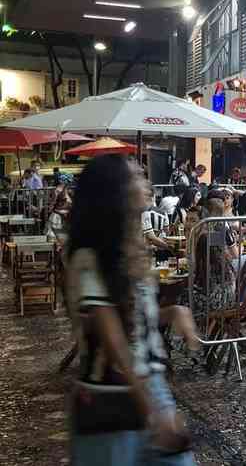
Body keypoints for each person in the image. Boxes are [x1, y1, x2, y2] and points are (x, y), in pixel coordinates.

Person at [65, 154, 195, 465]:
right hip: (111, 399)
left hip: (150, 386)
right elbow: (114, 340)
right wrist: (150, 410)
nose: (147, 183)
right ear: (114, 191)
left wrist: (171, 313)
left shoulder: (128, 247)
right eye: (136, 176)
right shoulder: (90, 256)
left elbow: (133, 319)